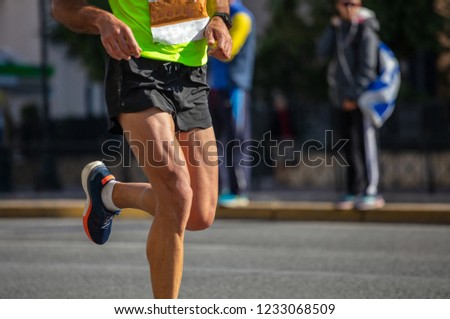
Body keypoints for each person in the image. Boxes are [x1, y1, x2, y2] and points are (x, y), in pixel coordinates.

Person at [51, 0, 232, 299]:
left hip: (192, 72)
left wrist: (221, 18)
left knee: (199, 214)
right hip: (137, 66)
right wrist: (102, 21)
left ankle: (109, 193)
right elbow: (62, 7)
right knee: (176, 190)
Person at [317, 0, 385, 211]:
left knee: (365, 144)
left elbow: (368, 66)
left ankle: (371, 191)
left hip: (361, 99)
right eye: (344, 3)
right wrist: (332, 27)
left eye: (353, 3)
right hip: (340, 98)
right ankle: (353, 190)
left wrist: (353, 96)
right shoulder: (339, 28)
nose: (349, 8)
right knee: (348, 146)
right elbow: (321, 52)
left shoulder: (366, 27)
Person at [208, 0, 256, 207]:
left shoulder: (242, 17)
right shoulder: (214, 14)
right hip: (216, 87)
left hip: (235, 87)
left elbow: (227, 50)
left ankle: (239, 191)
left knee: (236, 139)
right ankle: (221, 188)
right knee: (217, 141)